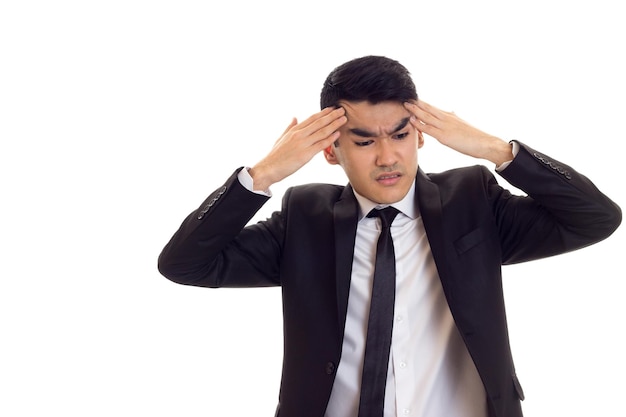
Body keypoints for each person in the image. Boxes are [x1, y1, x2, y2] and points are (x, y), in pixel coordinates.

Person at [157, 56, 621, 417]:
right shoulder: (305, 218)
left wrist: (499, 151)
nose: (386, 157)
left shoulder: (472, 202)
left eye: (400, 135)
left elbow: (596, 218)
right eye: (363, 142)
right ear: (330, 150)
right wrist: (261, 175)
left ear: (420, 136)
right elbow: (184, 264)